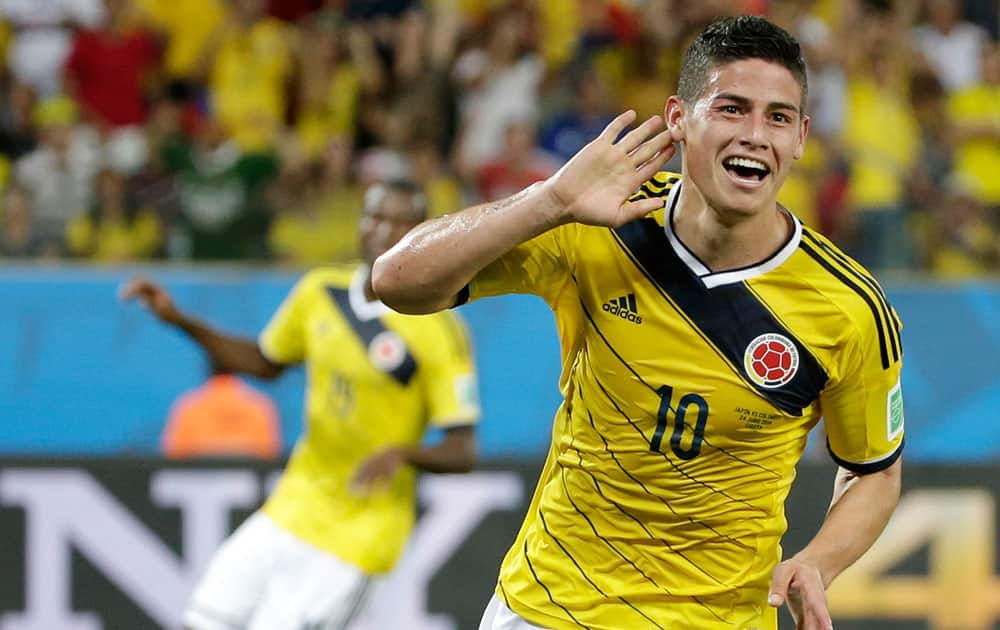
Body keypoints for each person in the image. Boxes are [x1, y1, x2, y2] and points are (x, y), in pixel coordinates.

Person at [373, 15, 903, 630]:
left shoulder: (850, 307)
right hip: (553, 607)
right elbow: (397, 281)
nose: (757, 134)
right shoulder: (598, 224)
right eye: (731, 109)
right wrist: (548, 201)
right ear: (679, 119)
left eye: (778, 117)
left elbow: (874, 472)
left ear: (802, 137)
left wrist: (820, 561)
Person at [121, 179, 481, 630]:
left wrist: (404, 453)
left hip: (360, 532)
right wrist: (179, 321)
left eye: (400, 220)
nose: (382, 229)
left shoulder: (440, 330)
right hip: (293, 505)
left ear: (422, 232)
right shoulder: (320, 292)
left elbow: (463, 449)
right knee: (203, 619)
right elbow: (264, 361)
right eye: (374, 216)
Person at [161, 362, 282, 460]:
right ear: (239, 369)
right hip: (248, 483)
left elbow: (173, 453)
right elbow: (270, 454)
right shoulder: (259, 405)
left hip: (198, 483)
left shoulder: (189, 405)